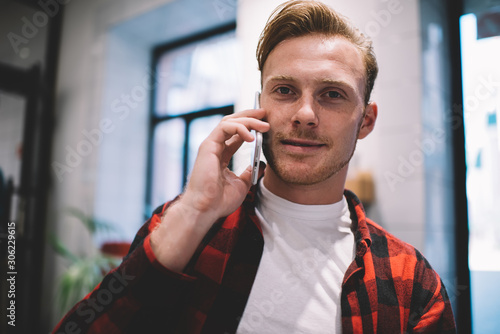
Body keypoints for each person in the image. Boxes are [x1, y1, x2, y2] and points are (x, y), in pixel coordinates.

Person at [52, 1, 456, 333]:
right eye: (284, 90)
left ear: (365, 121)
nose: (305, 114)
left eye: (332, 94)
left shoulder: (411, 283)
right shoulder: (189, 229)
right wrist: (193, 211)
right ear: (258, 103)